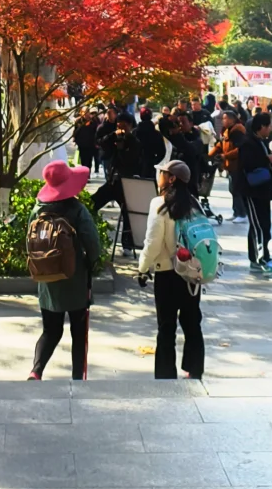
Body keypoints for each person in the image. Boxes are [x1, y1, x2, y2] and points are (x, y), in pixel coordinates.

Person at [28, 160, 100, 381]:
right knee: (79, 333)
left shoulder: (38, 210)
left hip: (47, 279)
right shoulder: (77, 210)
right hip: (75, 278)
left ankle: (36, 371)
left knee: (51, 331)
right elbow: (92, 243)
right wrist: (92, 263)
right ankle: (77, 378)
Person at [137, 160, 205, 380]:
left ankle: (166, 376)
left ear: (172, 178)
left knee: (166, 327)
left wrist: (142, 268)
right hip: (191, 273)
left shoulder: (160, 204)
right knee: (192, 322)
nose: (159, 176)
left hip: (167, 273)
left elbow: (153, 242)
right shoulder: (195, 204)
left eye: (162, 173)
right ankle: (195, 369)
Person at [91, 113, 152, 253]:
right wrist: (112, 136)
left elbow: (129, 161)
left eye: (124, 126)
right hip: (113, 181)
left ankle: (127, 244)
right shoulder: (114, 136)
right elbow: (101, 144)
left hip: (127, 183)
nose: (121, 129)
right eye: (119, 126)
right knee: (93, 203)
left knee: (127, 215)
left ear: (130, 126)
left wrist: (122, 147)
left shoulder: (135, 142)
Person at [238, 111, 272, 271]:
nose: (270, 129)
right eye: (269, 126)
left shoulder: (260, 141)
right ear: (262, 127)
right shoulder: (247, 142)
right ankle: (260, 259)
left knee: (264, 224)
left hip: (262, 190)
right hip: (252, 191)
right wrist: (266, 159)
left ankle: (263, 257)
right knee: (258, 226)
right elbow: (248, 164)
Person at [212, 110, 248, 222]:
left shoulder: (237, 131)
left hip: (238, 165)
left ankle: (242, 214)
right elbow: (221, 144)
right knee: (233, 189)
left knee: (237, 189)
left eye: (225, 118)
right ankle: (236, 212)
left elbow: (240, 149)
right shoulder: (228, 130)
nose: (223, 121)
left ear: (232, 120)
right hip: (231, 165)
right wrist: (211, 154)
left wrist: (225, 156)